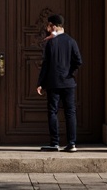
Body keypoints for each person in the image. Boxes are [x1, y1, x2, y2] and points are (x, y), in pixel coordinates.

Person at [35, 13, 82, 152]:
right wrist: (69, 74)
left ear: (54, 26)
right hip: (68, 83)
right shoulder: (71, 41)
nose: (47, 29)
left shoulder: (51, 43)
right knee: (70, 112)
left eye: (49, 26)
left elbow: (46, 65)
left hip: (53, 83)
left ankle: (55, 143)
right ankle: (72, 143)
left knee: (53, 112)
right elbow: (78, 61)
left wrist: (40, 83)